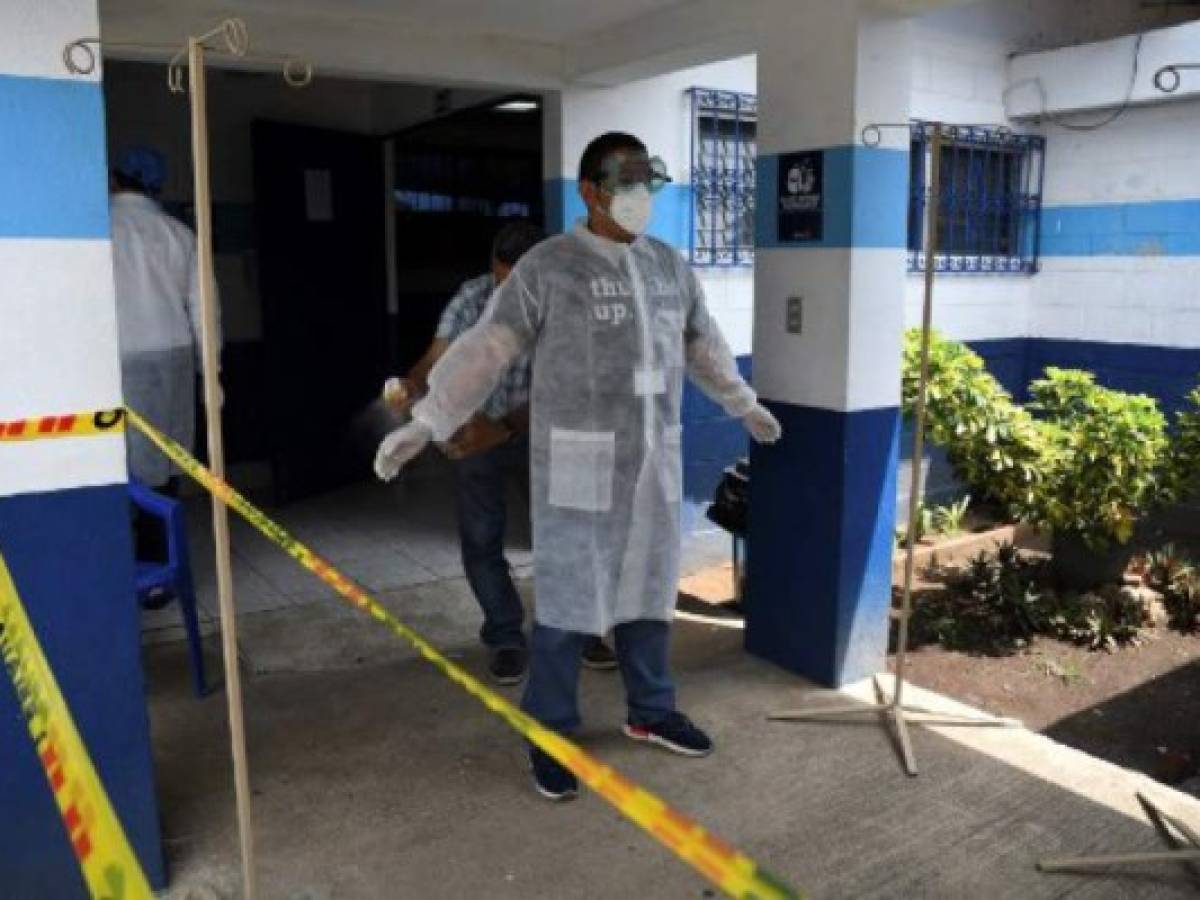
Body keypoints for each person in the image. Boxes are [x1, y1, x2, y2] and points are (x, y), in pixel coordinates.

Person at [375, 132, 781, 801]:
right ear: (589, 191)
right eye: (626, 183)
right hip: (580, 462)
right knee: (570, 600)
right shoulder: (550, 266)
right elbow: (486, 348)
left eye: (648, 182)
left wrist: (742, 402)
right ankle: (552, 728)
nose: (639, 197)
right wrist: (429, 420)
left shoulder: (669, 266)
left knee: (650, 590)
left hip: (653, 459)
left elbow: (702, 345)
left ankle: (651, 710)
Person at [383, 221, 617, 685]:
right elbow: (435, 358)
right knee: (481, 538)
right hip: (477, 434)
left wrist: (506, 427)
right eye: (501, 283)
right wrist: (414, 384)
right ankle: (506, 635)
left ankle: (577, 630)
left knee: (568, 536)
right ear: (493, 268)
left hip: (549, 432)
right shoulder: (472, 298)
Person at [110, 145, 219, 560]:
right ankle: (162, 567)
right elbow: (206, 310)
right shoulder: (180, 234)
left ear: (114, 179)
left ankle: (128, 571)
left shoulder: (97, 231)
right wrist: (213, 372)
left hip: (118, 359)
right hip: (175, 356)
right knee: (167, 465)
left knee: (122, 467)